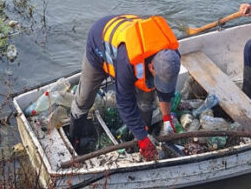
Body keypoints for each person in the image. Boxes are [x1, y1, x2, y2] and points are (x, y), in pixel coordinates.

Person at [65, 14, 181, 160]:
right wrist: (143, 139)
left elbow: (166, 90)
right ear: (151, 67)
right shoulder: (127, 61)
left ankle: (138, 136)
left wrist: (167, 119)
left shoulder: (172, 56)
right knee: (83, 100)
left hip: (126, 43)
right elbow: (124, 103)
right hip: (98, 45)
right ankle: (75, 142)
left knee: (146, 102)